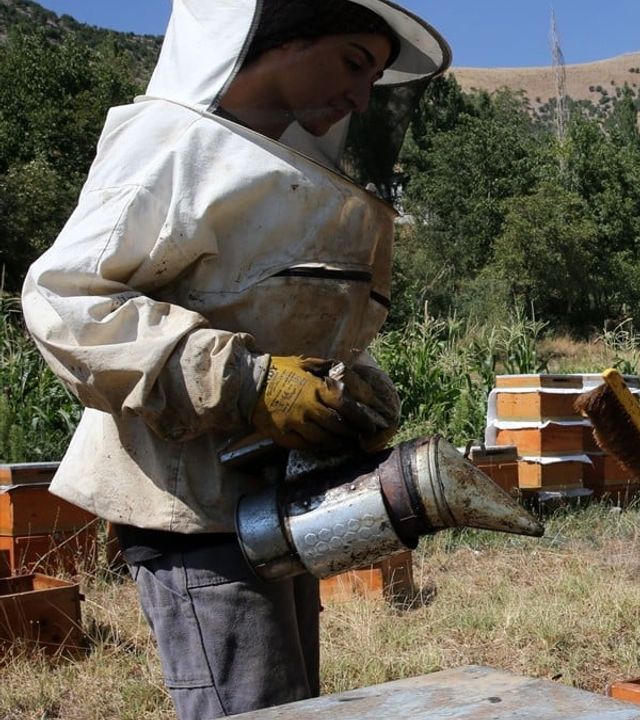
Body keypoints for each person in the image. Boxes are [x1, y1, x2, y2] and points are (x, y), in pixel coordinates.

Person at [21, 0, 449, 716]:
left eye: (373, 78)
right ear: (282, 37)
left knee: (286, 704)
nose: (360, 95)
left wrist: (348, 392)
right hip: (185, 502)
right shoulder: (170, 142)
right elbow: (68, 301)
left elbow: (280, 316)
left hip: (276, 501)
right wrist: (245, 380)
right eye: (351, 61)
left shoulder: (270, 161)